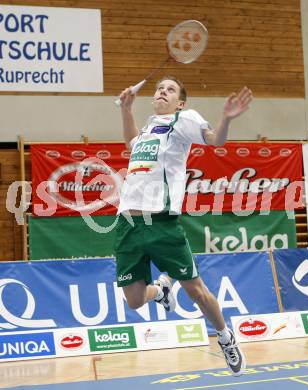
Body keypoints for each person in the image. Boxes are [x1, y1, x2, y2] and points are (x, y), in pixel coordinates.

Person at [114, 76, 253, 376]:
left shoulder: (184, 119)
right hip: (127, 223)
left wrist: (226, 119)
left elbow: (216, 140)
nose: (162, 91)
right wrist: (127, 109)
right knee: (135, 301)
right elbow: (130, 143)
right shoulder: (150, 127)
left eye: (170, 89)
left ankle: (225, 338)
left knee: (197, 293)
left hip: (162, 222)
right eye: (159, 88)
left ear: (180, 101)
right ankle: (161, 291)